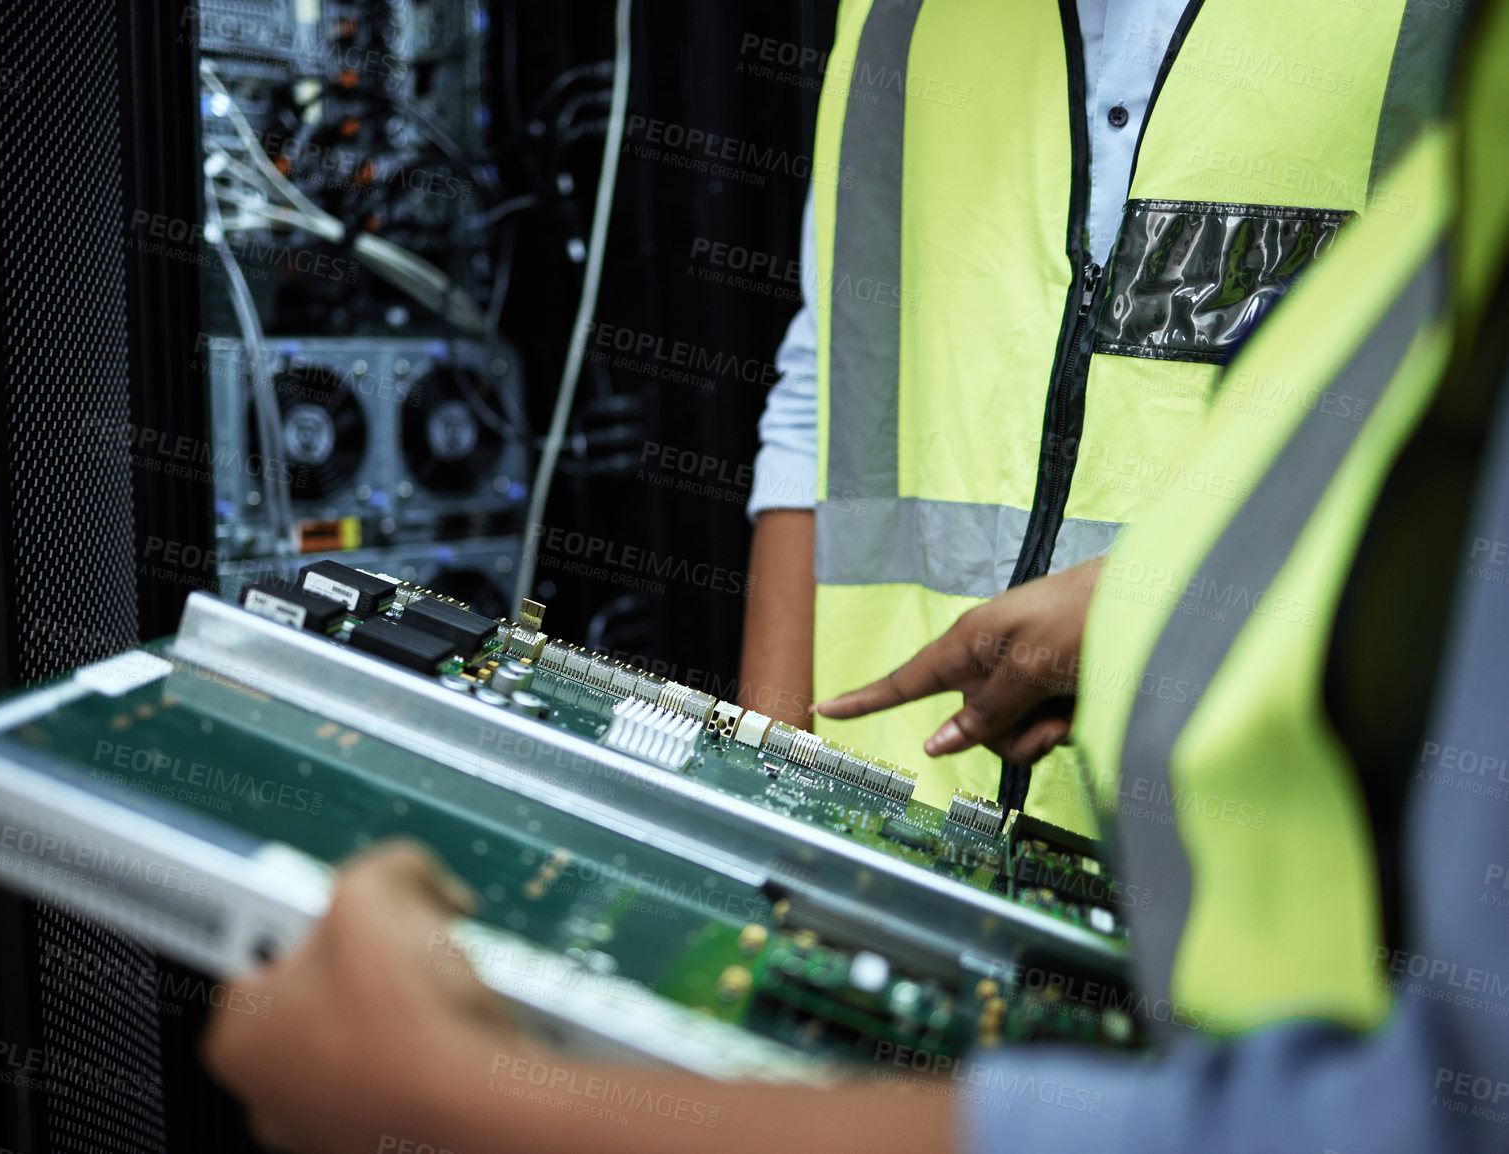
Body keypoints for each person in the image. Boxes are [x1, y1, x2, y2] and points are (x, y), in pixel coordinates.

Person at [201, 5, 1509, 1149]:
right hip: (890, 839)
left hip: (1219, 922)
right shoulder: (904, 16)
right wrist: (760, 801)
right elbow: (826, 375)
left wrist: (469, 1102)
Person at [739, 0, 1462, 833]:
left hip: (1234, 861)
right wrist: (761, 789)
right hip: (869, 833)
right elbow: (825, 389)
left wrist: (1160, 608)